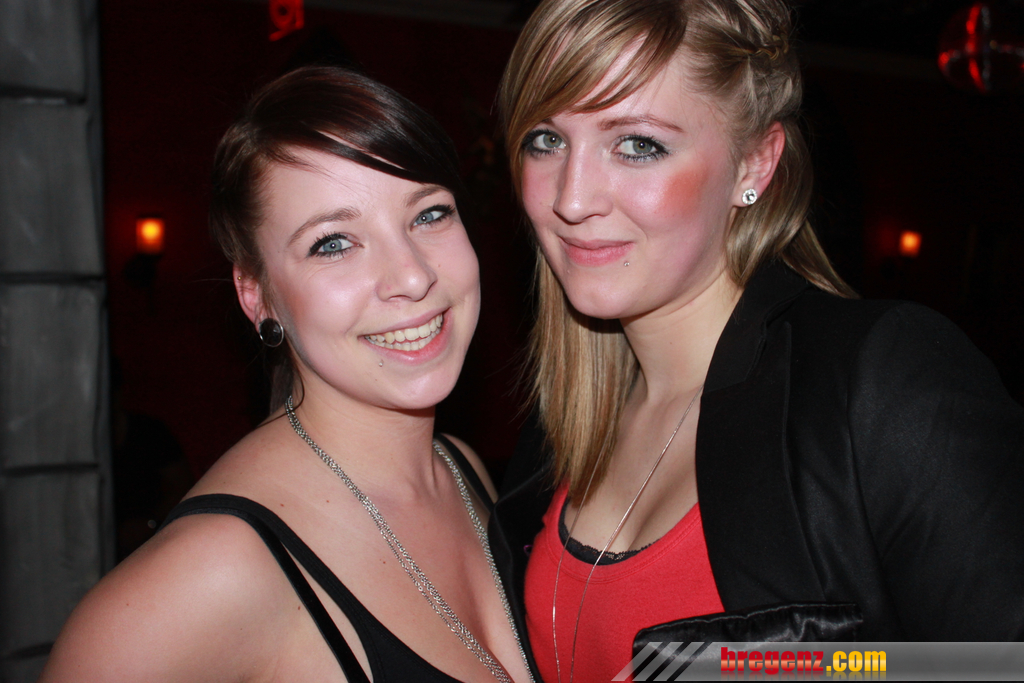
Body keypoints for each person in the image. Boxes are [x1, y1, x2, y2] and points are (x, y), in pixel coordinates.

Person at [488, 1, 1024, 681]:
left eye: (638, 144)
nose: (571, 198)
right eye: (546, 139)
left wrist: (742, 667)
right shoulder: (561, 422)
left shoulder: (878, 380)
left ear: (755, 163)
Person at [41, 66, 533, 683]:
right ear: (257, 295)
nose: (413, 276)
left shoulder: (461, 470)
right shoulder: (213, 571)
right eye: (333, 243)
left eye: (429, 214)